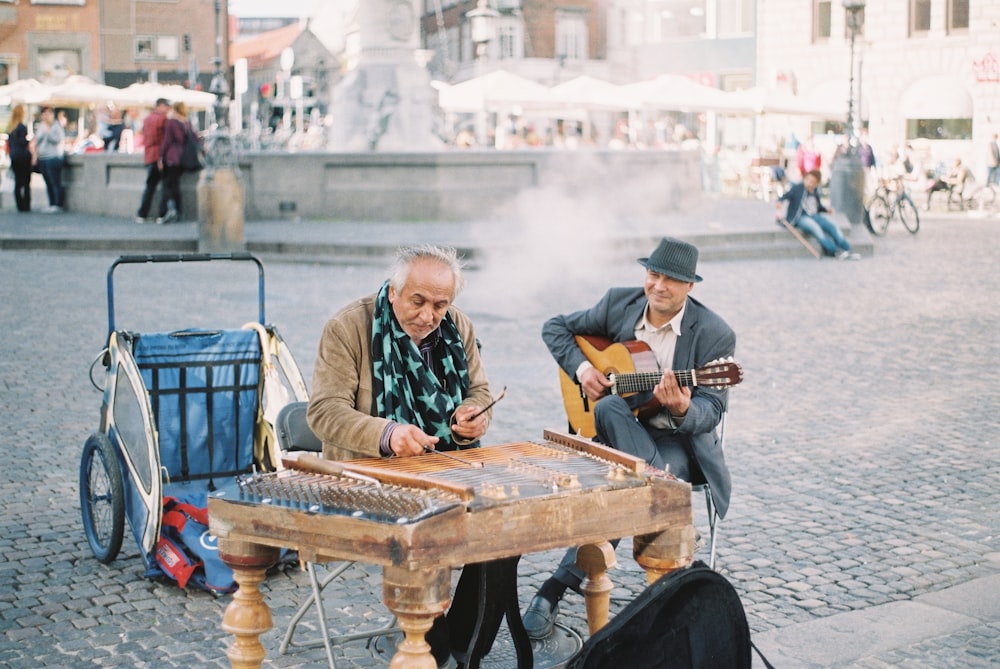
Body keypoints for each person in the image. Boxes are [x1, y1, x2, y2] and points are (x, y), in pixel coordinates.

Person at [521, 237, 736, 640]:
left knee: (623, 483)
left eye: (672, 280)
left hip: (679, 445)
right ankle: (661, 584)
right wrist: (583, 370)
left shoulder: (713, 334)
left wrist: (681, 409)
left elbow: (712, 410)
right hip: (622, 432)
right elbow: (556, 328)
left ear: (691, 286)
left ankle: (554, 588)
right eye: (653, 274)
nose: (659, 286)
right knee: (607, 410)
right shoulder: (618, 304)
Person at [307, 244, 494, 669]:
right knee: (427, 524)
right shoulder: (348, 327)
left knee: (499, 523)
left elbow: (479, 392)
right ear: (393, 292)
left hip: (445, 463)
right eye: (418, 301)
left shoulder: (456, 326)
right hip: (369, 474)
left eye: (440, 304)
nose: (429, 315)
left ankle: (462, 640)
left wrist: (473, 415)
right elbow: (322, 412)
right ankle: (430, 641)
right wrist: (388, 434)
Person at [776, 169, 859, 260]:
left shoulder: (815, 191)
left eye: (813, 182)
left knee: (832, 226)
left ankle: (847, 249)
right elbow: (784, 197)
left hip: (814, 215)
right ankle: (835, 251)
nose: (809, 183)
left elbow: (818, 207)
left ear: (816, 184)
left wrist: (826, 210)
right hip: (801, 217)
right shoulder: (797, 188)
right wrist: (779, 206)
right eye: (808, 180)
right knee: (816, 228)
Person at [157, 101, 196, 224]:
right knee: (175, 185)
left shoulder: (172, 122)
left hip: (172, 158)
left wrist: (161, 158)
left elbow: (167, 141)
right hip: (183, 159)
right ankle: (178, 211)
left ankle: (167, 211)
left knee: (169, 186)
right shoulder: (187, 123)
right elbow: (196, 138)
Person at [135, 98, 170, 223]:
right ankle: (162, 214)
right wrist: (161, 158)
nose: (168, 109)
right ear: (160, 105)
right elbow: (163, 141)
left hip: (149, 156)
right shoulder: (162, 119)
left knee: (149, 187)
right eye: (166, 106)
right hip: (159, 157)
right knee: (165, 186)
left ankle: (142, 214)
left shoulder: (146, 119)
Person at [33, 106, 65, 213]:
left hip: (53, 157)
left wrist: (48, 130)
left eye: (48, 113)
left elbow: (56, 140)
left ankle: (57, 204)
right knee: (47, 182)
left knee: (55, 181)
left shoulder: (56, 126)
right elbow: (37, 141)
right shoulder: (41, 126)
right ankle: (51, 203)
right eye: (44, 114)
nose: (46, 116)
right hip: (42, 158)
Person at [4, 104, 33, 213]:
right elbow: (23, 143)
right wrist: (28, 141)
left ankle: (19, 205)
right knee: (26, 182)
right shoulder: (22, 127)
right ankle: (26, 205)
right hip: (23, 156)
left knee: (17, 182)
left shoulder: (10, 127)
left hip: (14, 156)